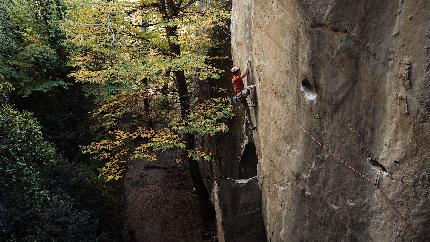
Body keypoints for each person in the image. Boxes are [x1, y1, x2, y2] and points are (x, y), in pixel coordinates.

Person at [231, 60, 256, 130]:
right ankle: (253, 102)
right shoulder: (237, 78)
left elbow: (245, 73)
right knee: (252, 87)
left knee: (247, 110)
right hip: (241, 95)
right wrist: (246, 63)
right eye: (239, 70)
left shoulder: (234, 78)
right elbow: (246, 72)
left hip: (239, 96)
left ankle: (251, 125)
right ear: (237, 72)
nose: (240, 71)